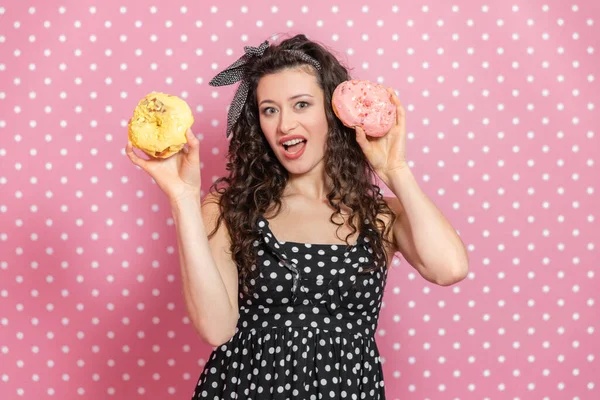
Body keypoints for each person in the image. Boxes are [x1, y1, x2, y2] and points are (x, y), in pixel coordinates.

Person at [125, 33, 469, 399]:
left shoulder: (381, 216)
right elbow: (215, 328)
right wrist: (182, 199)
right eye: (270, 109)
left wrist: (396, 169)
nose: (285, 125)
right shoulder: (228, 209)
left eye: (301, 104)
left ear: (332, 111)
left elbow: (450, 268)